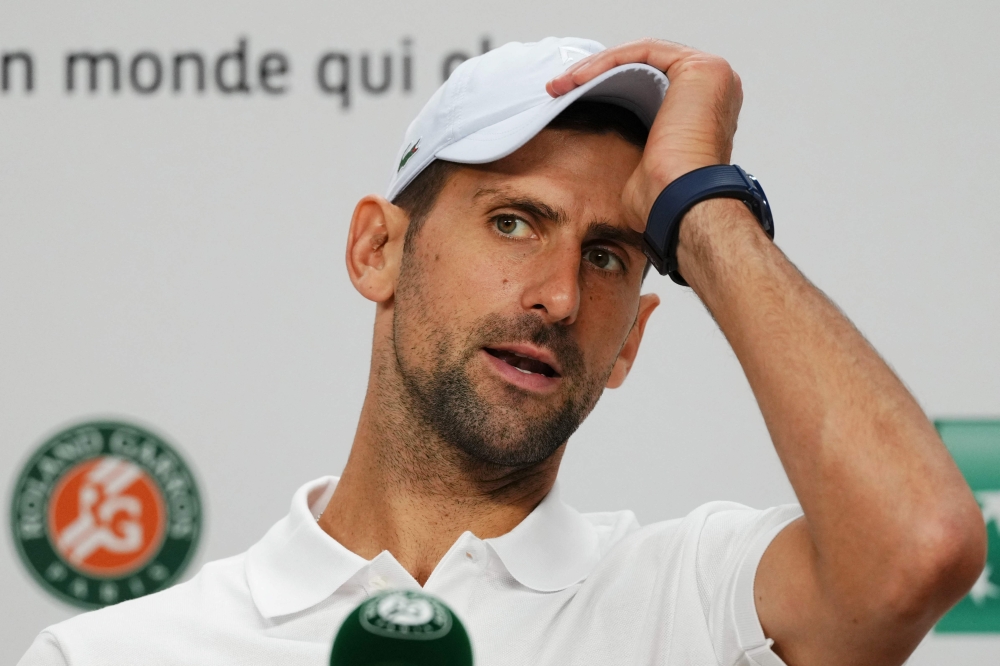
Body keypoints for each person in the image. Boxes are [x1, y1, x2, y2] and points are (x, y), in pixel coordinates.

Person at [19, 37, 986, 666]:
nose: (561, 297)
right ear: (377, 249)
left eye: (610, 257)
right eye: (516, 222)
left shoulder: (697, 597)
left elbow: (918, 547)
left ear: (631, 344)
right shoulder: (115, 654)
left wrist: (702, 206)